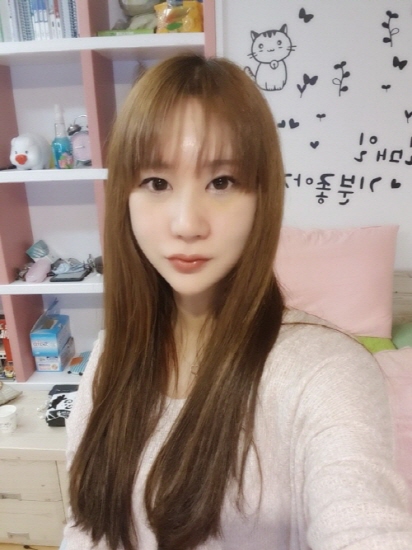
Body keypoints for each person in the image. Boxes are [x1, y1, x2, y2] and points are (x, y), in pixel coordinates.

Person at [64, 53, 412, 550]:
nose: (187, 224)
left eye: (221, 182)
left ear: (262, 197)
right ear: (125, 197)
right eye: (157, 183)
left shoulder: (325, 372)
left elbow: (364, 524)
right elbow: (84, 530)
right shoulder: (108, 357)